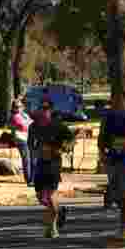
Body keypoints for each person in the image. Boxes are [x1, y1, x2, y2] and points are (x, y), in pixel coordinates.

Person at [28, 97, 75, 239]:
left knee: (50, 195)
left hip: (53, 164)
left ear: (51, 110)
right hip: (40, 164)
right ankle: (59, 211)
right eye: (41, 108)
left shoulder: (58, 126)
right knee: (41, 198)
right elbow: (31, 144)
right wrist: (36, 151)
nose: (44, 111)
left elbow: (71, 140)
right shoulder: (33, 127)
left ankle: (52, 227)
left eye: (46, 108)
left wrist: (63, 148)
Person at [98, 90, 125, 232]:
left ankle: (124, 226)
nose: (117, 103)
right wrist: (102, 153)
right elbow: (102, 138)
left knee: (124, 193)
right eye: (114, 100)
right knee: (116, 194)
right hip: (112, 159)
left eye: (120, 100)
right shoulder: (107, 118)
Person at [10, 99, 32, 186]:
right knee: (26, 159)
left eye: (19, 107)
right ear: (13, 108)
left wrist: (28, 123)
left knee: (33, 158)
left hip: (27, 137)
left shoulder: (24, 114)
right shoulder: (14, 116)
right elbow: (23, 127)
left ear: (22, 107)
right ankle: (29, 180)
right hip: (20, 139)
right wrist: (27, 123)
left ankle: (33, 177)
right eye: (15, 107)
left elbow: (31, 123)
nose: (18, 108)